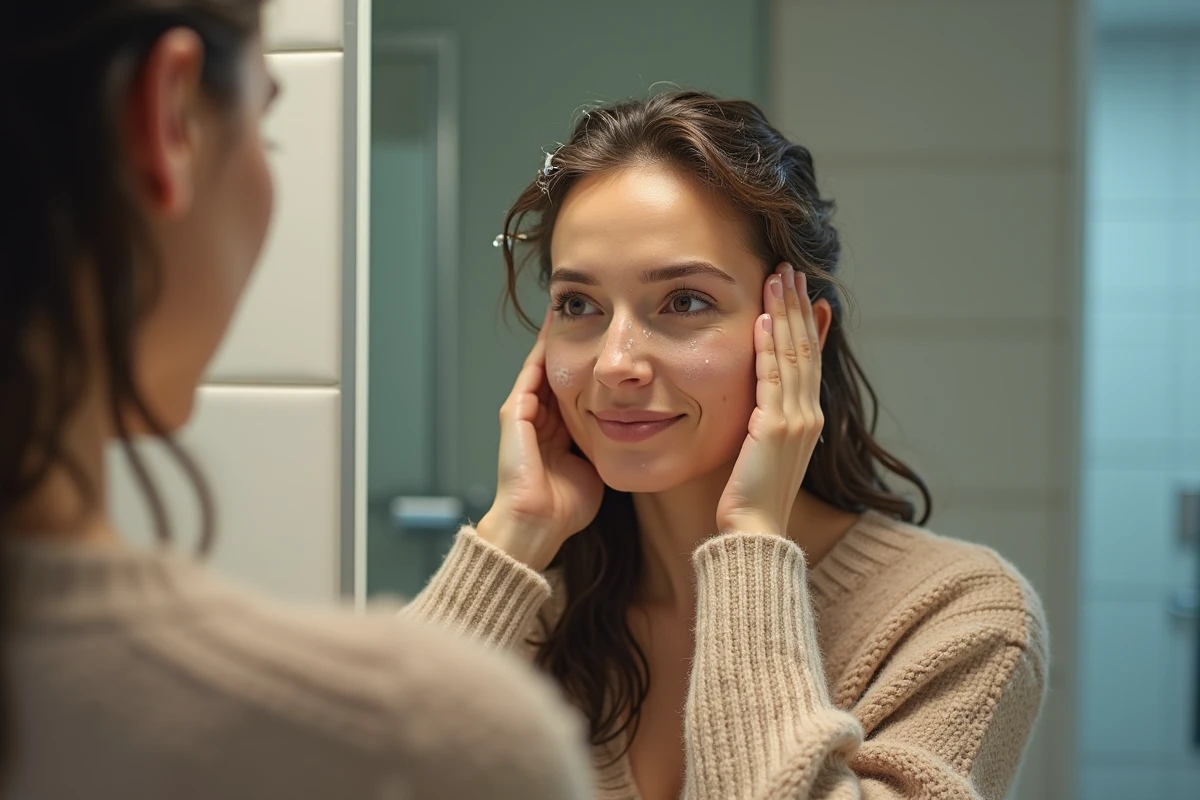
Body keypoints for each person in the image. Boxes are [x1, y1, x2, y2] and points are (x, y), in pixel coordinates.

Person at [0, 2, 592, 798]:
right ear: (170, 117)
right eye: (264, 129)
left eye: (686, 304)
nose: (619, 362)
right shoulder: (424, 745)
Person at [404, 91, 1049, 800]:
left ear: (801, 336)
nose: (616, 362)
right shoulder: (530, 621)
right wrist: (512, 536)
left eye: (684, 301)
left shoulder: (958, 620)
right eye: (578, 305)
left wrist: (750, 544)